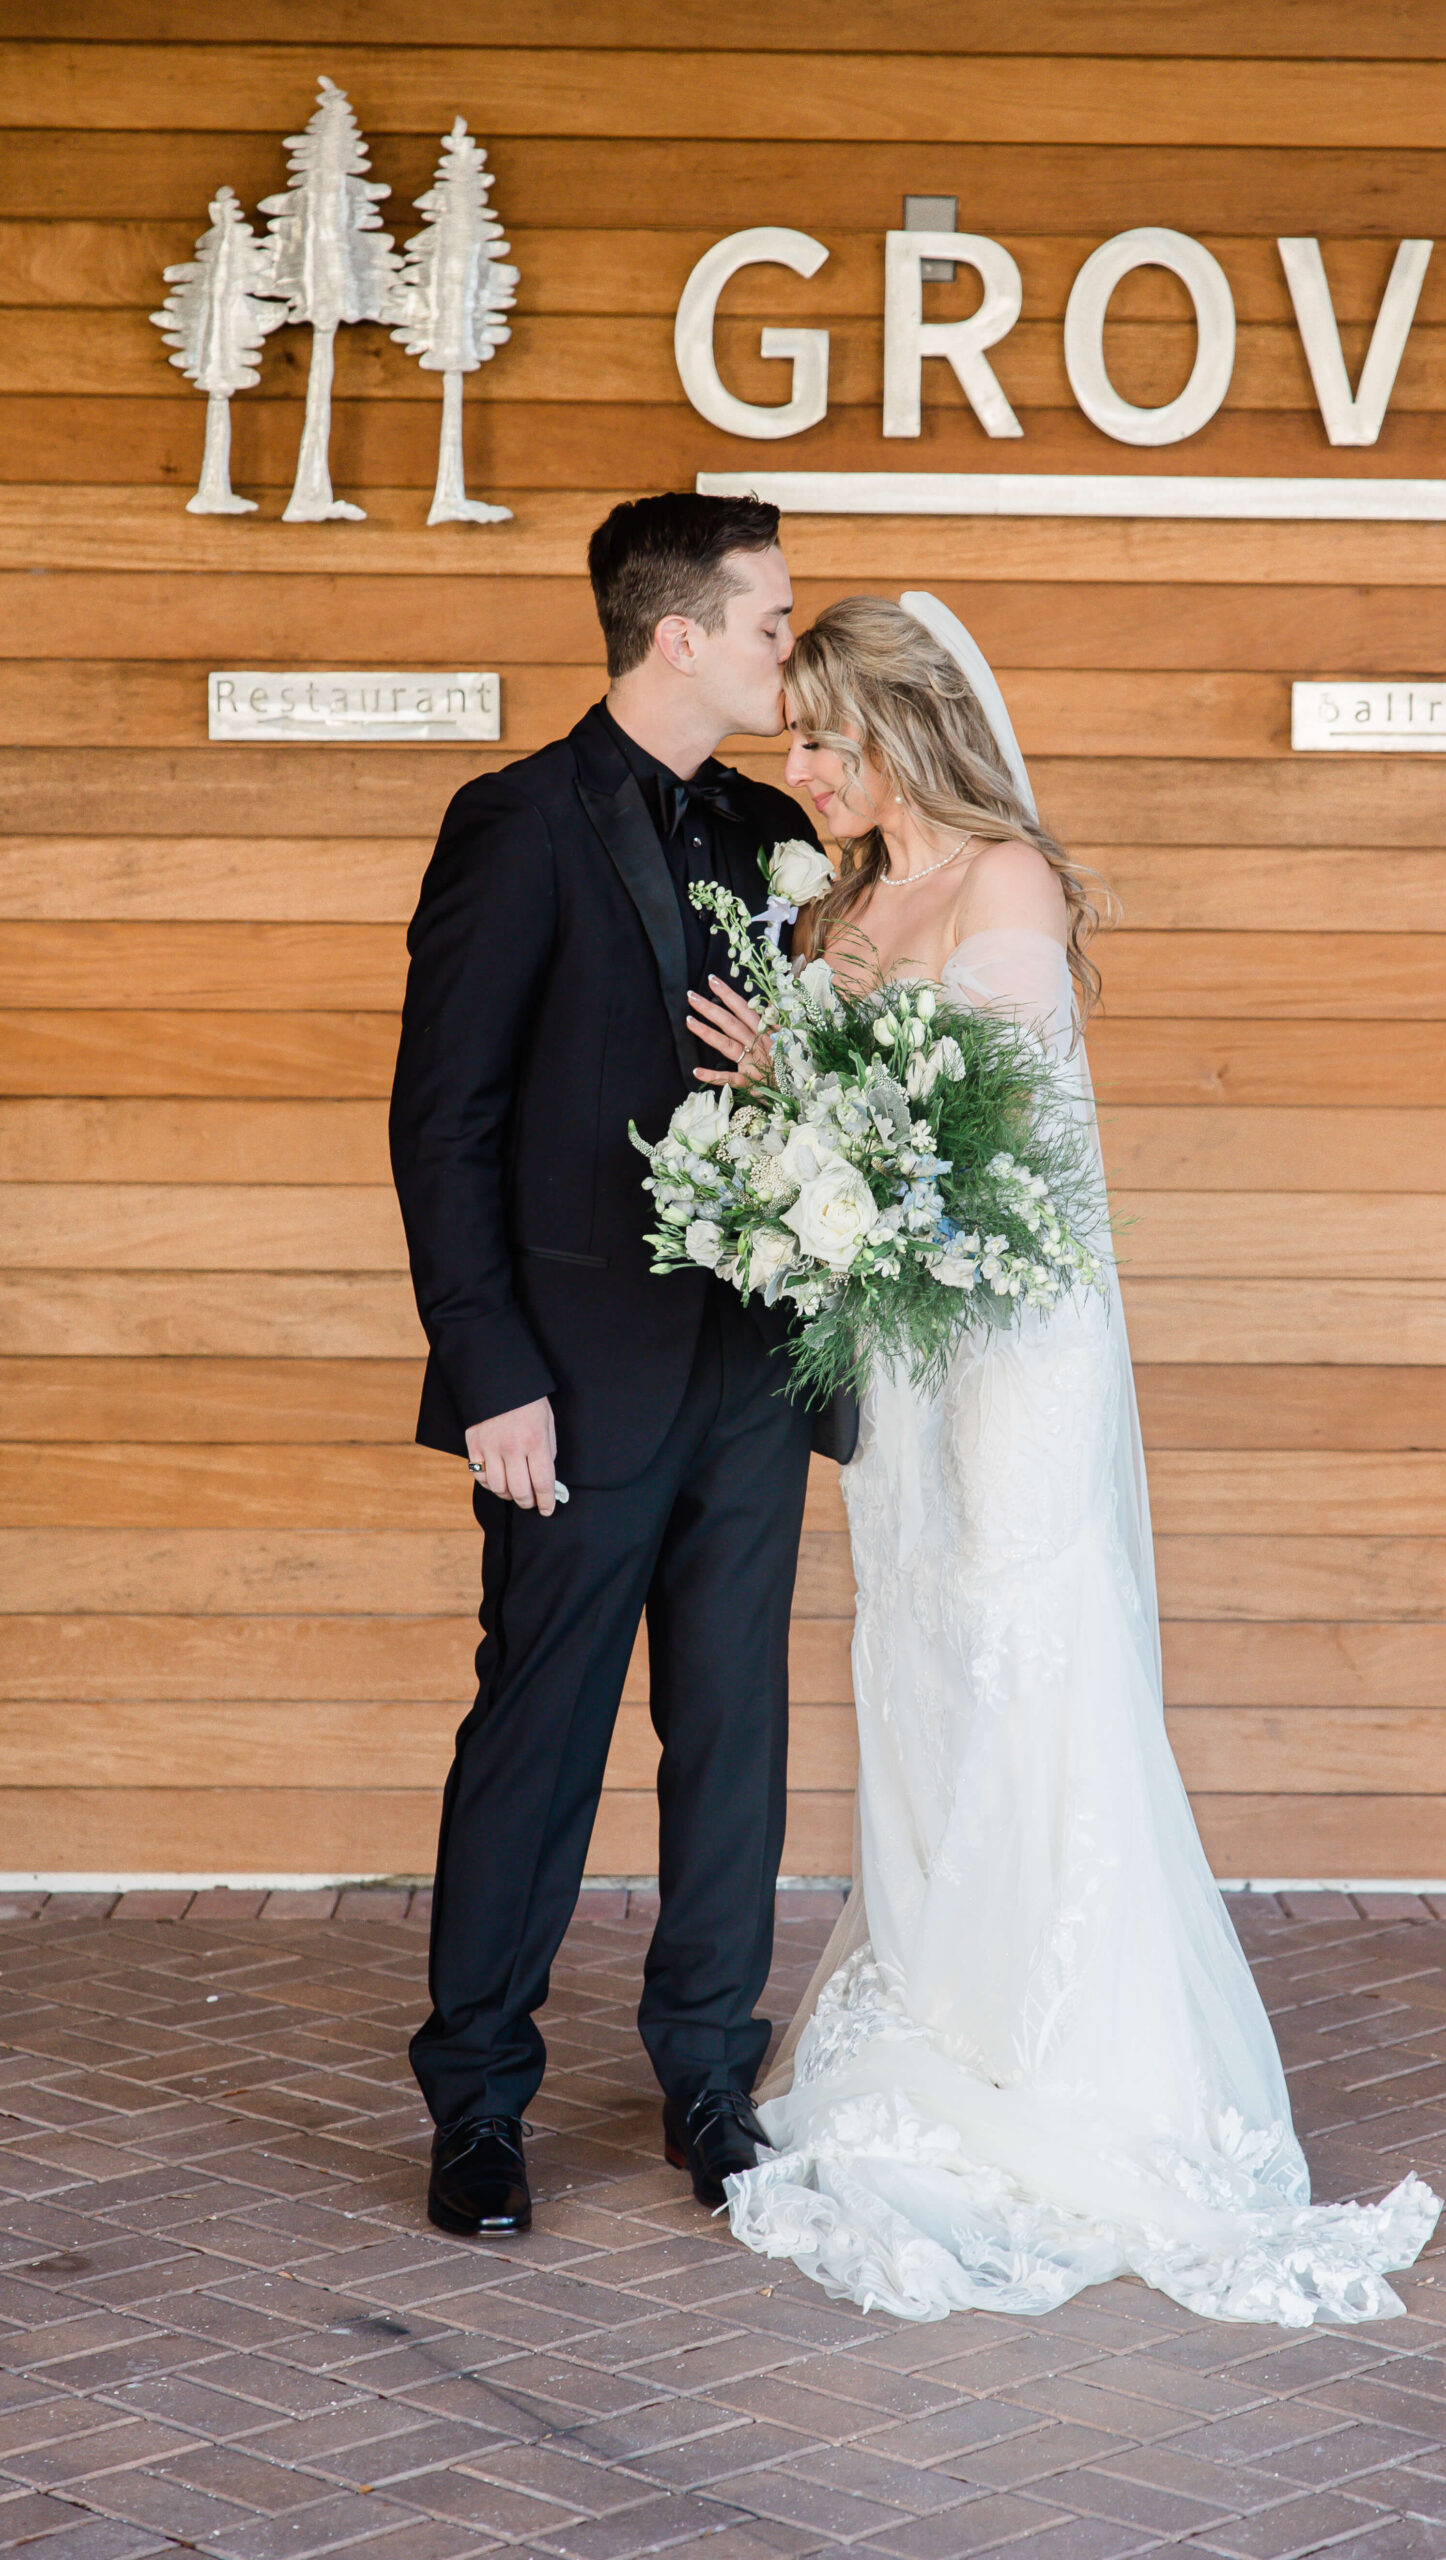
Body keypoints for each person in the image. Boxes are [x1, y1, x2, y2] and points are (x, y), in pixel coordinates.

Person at [687, 595, 1442, 2324]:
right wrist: (776, 1085)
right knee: (924, 1651)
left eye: (821, 741)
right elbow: (847, 1138)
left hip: (1013, 1356)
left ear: (900, 732)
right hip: (899, 1356)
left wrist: (821, 1094)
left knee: (1029, 1652)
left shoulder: (1004, 881)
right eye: (789, 740)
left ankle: (1075, 2062)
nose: (793, 773)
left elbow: (976, 1147)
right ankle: (946, 2010)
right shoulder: (843, 901)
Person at [389, 492, 853, 2239]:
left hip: (747, 1368)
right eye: (768, 622)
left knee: (733, 1736)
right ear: (678, 633)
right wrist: (492, 1372)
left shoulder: (768, 824)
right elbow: (447, 1124)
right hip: (570, 1383)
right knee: (540, 1738)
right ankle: (480, 2107)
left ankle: (708, 2078)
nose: (780, 650)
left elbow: (829, 1065)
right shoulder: (511, 824)